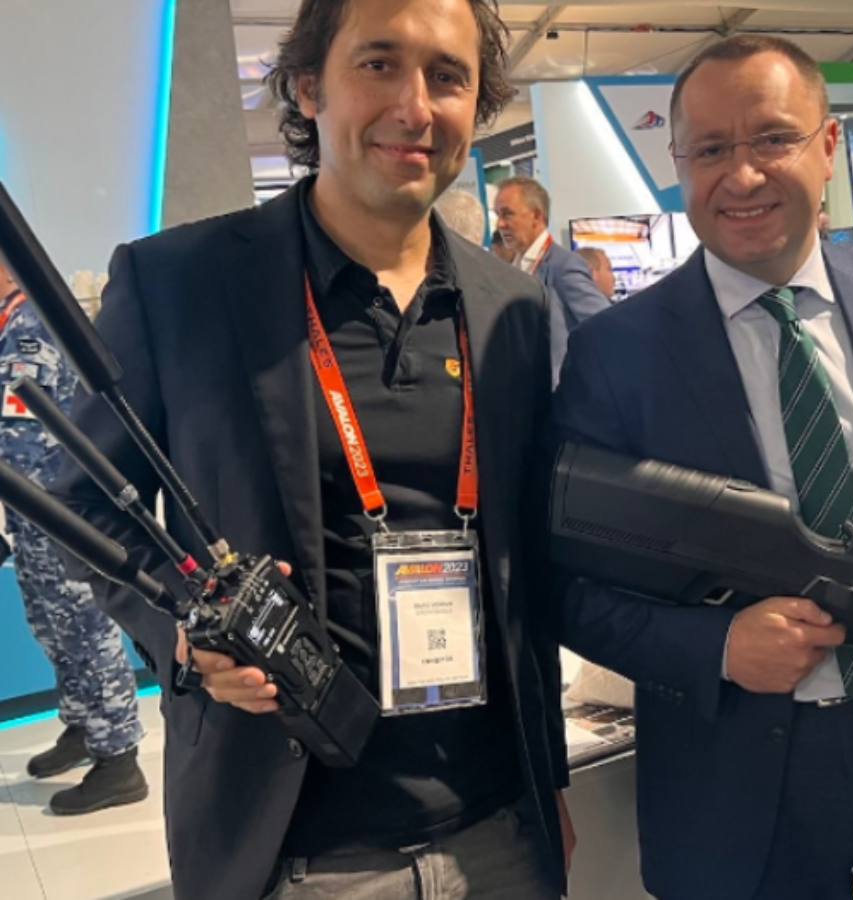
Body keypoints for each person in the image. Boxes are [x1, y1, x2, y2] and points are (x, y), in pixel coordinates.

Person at [52, 0, 572, 898]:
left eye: (448, 76)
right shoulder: (182, 283)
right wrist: (184, 633)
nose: (415, 106)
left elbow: (528, 569)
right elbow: (85, 499)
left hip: (498, 833)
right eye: (379, 63)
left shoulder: (512, 306)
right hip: (294, 849)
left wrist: (549, 778)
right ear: (307, 87)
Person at [553, 35, 853, 900]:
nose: (742, 175)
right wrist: (717, 646)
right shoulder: (616, 354)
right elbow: (568, 588)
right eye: (710, 150)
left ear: (829, 144)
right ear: (678, 164)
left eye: (772, 138)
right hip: (732, 778)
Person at [0, 258, 147, 815]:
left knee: (84, 629)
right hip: (29, 514)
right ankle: (83, 726)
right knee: (51, 627)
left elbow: (21, 438)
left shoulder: (30, 328)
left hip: (56, 511)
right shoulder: (8, 324)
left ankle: (119, 759)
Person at [492, 176, 611, 379]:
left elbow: (605, 327)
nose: (500, 224)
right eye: (498, 215)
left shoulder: (564, 266)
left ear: (536, 216)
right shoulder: (515, 267)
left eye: (507, 214)